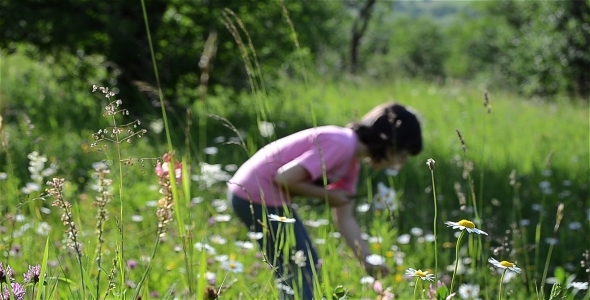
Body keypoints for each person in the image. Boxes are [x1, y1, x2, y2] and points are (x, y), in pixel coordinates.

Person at [227, 102, 423, 299]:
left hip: (257, 194)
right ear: (389, 142)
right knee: (302, 263)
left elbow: (345, 218)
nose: (400, 164)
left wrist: (367, 259)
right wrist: (328, 195)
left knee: (296, 264)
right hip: (256, 193)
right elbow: (284, 177)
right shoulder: (342, 144)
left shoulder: (351, 164)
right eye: (402, 155)